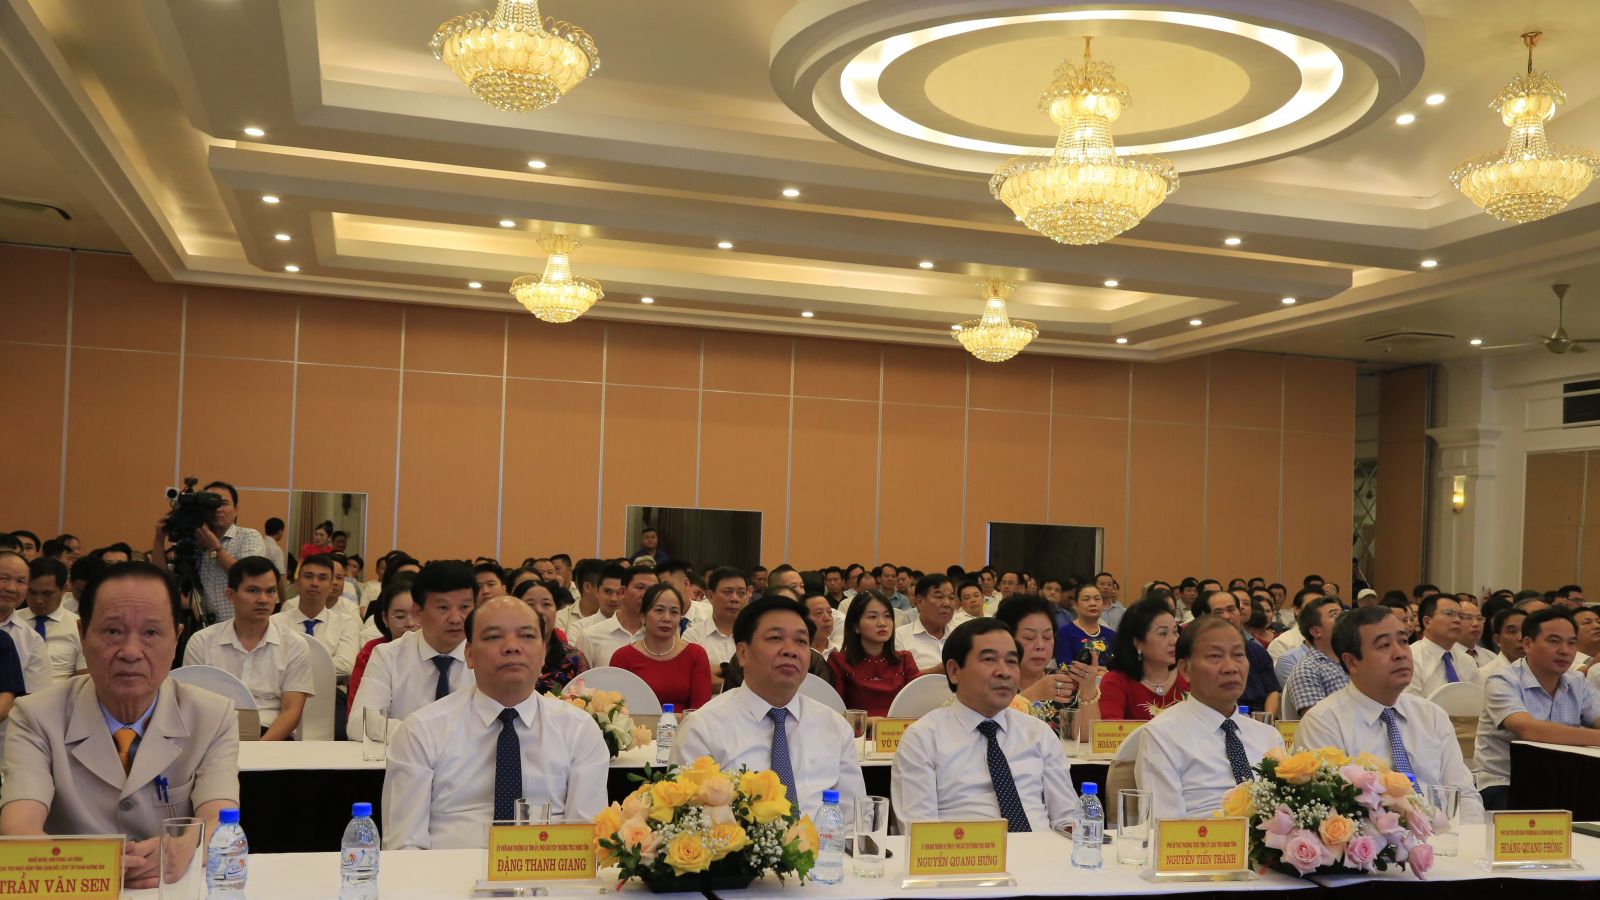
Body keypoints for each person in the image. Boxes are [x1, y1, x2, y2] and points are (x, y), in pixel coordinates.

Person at [0, 562, 239, 889]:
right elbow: (19, 828)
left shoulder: (213, 716)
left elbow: (220, 818)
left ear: (176, 639)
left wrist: (183, 847)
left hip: (169, 888)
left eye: (151, 633)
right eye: (113, 631)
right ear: (82, 635)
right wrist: (94, 865)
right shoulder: (35, 716)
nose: (130, 652)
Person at [383, 596, 609, 849]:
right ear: (469, 654)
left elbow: (586, 843)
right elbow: (404, 846)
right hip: (447, 871)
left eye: (527, 636)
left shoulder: (579, 730)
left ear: (544, 652)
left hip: (549, 869)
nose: (512, 647)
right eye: (493, 637)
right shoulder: (421, 730)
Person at [671, 597, 865, 822]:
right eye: (775, 638)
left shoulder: (834, 727)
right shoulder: (702, 729)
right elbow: (686, 823)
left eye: (801, 641)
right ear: (742, 654)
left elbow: (855, 819)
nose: (791, 650)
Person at [1293, 606, 1485, 823]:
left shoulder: (1431, 715)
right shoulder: (1323, 722)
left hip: (1444, 837)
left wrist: (1468, 838)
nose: (1400, 653)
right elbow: (1331, 812)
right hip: (1374, 841)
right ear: (1351, 662)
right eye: (1384, 645)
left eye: (1403, 641)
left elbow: (1464, 794)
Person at [891, 618, 1078, 831]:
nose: (1004, 672)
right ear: (954, 671)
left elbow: (1067, 819)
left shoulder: (1038, 733)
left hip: (1042, 849)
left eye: (1011, 661)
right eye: (989, 659)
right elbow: (919, 833)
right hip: (962, 850)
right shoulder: (922, 739)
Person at [1136, 616, 1284, 818]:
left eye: (1238, 655)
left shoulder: (1269, 736)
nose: (1231, 668)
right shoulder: (1162, 736)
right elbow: (1163, 826)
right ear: (1185, 670)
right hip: (1200, 837)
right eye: (1215, 656)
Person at [1475, 608, 1600, 809]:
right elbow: (1530, 730)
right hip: (1506, 781)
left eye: (1571, 643)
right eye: (1554, 641)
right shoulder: (1502, 680)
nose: (1565, 650)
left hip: (1563, 781)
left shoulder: (1577, 681)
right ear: (1527, 644)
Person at [183, 556, 311, 740]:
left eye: (270, 591)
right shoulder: (202, 642)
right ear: (230, 595)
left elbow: (292, 711)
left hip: (271, 736)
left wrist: (258, 749)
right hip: (214, 734)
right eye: (253, 591)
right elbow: (191, 706)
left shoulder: (294, 645)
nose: (263, 599)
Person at [349, 561, 476, 731]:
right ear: (417, 612)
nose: (455, 618)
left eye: (464, 607)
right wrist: (420, 735)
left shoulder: (489, 655)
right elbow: (360, 723)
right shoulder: (389, 655)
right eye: (443, 608)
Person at [151, 480, 266, 623]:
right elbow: (160, 577)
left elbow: (250, 576)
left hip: (238, 626)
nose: (218, 509)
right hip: (203, 630)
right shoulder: (193, 541)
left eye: (223, 503)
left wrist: (213, 547)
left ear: (236, 509)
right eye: (211, 505)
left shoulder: (248, 536)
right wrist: (159, 539)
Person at [609, 583, 711, 711]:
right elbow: (616, 712)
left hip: (687, 724)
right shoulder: (623, 657)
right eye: (659, 610)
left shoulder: (695, 654)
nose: (667, 618)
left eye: (674, 612)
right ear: (643, 615)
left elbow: (701, 712)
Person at [827, 591, 921, 717]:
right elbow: (834, 713)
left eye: (887, 616)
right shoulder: (839, 661)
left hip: (901, 729)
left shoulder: (904, 660)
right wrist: (873, 723)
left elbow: (918, 706)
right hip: (855, 729)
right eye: (872, 617)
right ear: (855, 625)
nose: (882, 623)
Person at [994, 595, 1096, 706]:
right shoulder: (992, 684)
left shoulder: (1064, 683)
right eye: (1029, 637)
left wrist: (1088, 689)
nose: (1040, 646)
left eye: (1047, 637)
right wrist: (1032, 694)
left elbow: (1089, 718)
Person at [1095, 597, 1185, 721]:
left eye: (1175, 632)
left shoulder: (1189, 676)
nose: (1174, 641)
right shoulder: (1116, 682)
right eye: (1163, 633)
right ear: (1138, 643)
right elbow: (1110, 730)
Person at [272, 553, 360, 678]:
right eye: (308, 576)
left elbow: (346, 666)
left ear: (331, 585)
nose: (314, 583)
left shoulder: (346, 623)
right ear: (297, 582)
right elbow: (269, 662)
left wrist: (291, 666)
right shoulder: (275, 622)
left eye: (322, 578)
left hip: (330, 688)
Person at [1193, 590, 1280, 716]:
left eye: (1231, 610)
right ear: (1207, 617)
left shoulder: (1257, 650)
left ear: (1240, 613)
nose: (1227, 616)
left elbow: (1273, 692)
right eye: (1218, 612)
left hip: (1257, 719)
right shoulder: (1198, 652)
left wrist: (1265, 722)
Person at [348, 578, 421, 709]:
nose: (410, 623)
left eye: (416, 615)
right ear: (385, 618)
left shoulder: (440, 651)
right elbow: (359, 713)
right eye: (400, 616)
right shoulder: (372, 651)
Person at [510, 579, 588, 694]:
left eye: (546, 604)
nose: (539, 611)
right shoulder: (506, 655)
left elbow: (587, 699)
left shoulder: (574, 659)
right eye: (529, 604)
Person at [1282, 597, 1348, 719]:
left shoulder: (1357, 660)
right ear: (1316, 631)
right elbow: (1317, 722)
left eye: (1342, 612)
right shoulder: (1307, 670)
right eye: (1334, 614)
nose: (1345, 617)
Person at [576, 566, 654, 668]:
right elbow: (581, 677)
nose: (646, 595)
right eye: (640, 587)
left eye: (652, 589)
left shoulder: (659, 637)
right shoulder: (590, 636)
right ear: (623, 592)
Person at [23, 557, 86, 682]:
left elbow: (83, 678)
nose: (38, 601)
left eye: (47, 594)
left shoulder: (78, 626)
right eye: (32, 593)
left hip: (62, 692)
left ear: (64, 589)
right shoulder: (10, 622)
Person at [684, 567, 747, 690]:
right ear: (710, 596)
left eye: (741, 593)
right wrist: (742, 681)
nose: (735, 599)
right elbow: (692, 679)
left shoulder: (755, 636)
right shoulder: (692, 636)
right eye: (727, 592)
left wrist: (719, 671)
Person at [1408, 593, 1479, 695]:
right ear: (1427, 622)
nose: (1457, 620)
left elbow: (1476, 699)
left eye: (1461, 616)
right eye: (1449, 613)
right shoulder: (1410, 659)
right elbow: (1408, 703)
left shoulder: (1468, 661)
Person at [0, 552, 49, 695]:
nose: (11, 588)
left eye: (20, 582)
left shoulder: (32, 640)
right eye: (4, 578)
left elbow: (36, 699)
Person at [896, 574, 957, 673]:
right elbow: (896, 678)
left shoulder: (959, 636)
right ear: (919, 601)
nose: (947, 603)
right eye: (939, 596)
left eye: (951, 597)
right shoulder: (899, 636)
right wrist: (936, 671)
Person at [1056, 581, 1114, 665]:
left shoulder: (1111, 635)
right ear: (1075, 605)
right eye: (1086, 599)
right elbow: (1063, 666)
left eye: (1097, 599)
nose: (1093, 603)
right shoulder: (1064, 632)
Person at [1478, 607, 1527, 679]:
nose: (1521, 638)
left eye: (1525, 630)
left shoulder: (1541, 668)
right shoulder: (1486, 674)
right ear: (1497, 639)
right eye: (1512, 632)